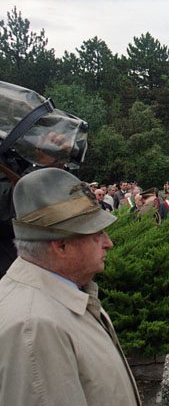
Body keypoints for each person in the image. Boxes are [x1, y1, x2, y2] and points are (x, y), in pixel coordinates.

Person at [0, 168, 140, 405]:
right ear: (61, 245)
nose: (109, 243)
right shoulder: (35, 329)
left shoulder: (59, 295)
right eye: (97, 233)